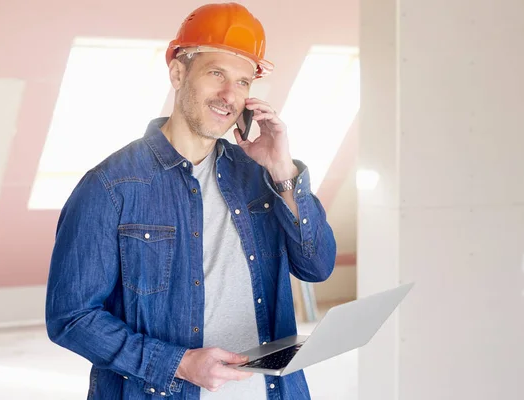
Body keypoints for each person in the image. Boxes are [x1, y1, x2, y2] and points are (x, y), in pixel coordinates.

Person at [45, 2, 337, 399]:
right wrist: (179, 363)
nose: (229, 95)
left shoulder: (261, 174)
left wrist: (283, 171)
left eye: (243, 82)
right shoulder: (111, 186)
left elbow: (317, 266)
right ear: (178, 73)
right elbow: (71, 317)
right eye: (216, 73)